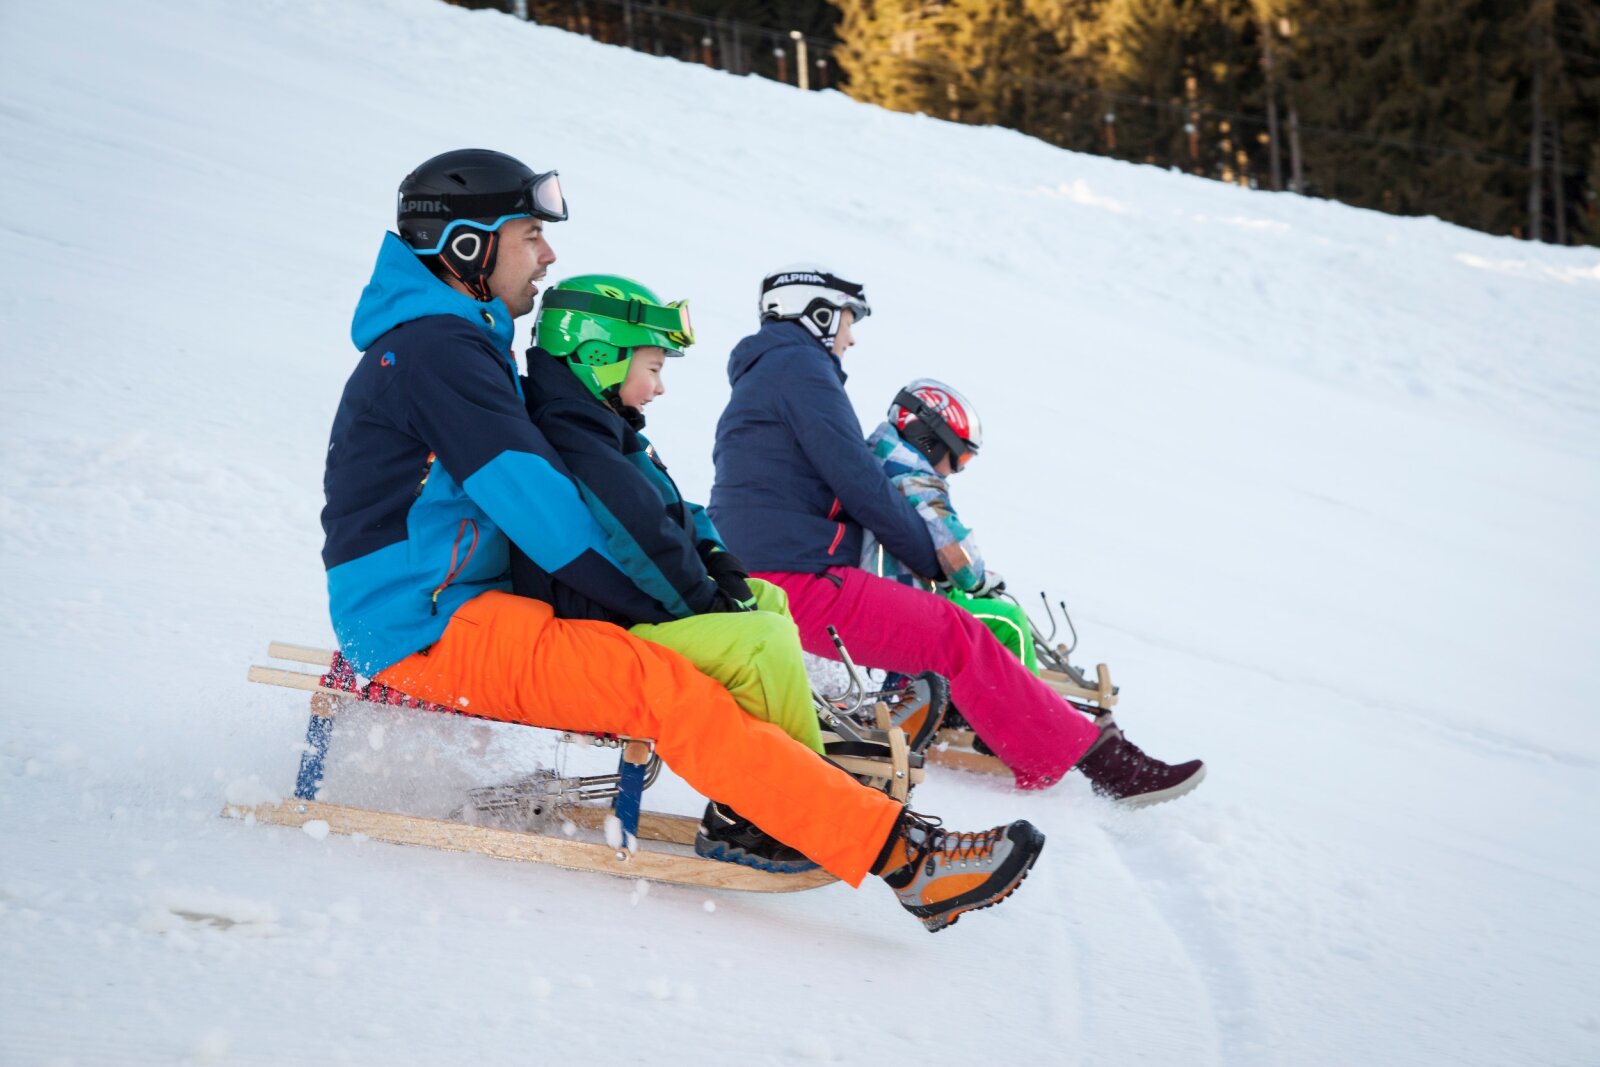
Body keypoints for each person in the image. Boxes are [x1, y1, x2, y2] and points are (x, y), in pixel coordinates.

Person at [319, 149, 1043, 930]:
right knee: (666, 686)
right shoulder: (440, 353)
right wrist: (668, 610)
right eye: (530, 235)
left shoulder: (458, 343)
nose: (548, 254)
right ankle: (905, 857)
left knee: (693, 663)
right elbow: (550, 519)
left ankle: (790, 807)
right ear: (467, 245)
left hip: (462, 607)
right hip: (420, 626)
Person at [708, 265, 1205, 804]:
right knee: (954, 633)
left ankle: (1070, 750)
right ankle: (1104, 766)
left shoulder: (771, 373)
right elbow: (863, 484)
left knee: (950, 631)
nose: (851, 338)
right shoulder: (801, 370)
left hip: (772, 573)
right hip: (793, 581)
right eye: (849, 321)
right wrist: (931, 557)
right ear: (820, 315)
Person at [510, 272, 927, 871]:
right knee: (758, 641)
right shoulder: (573, 433)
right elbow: (640, 536)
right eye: (653, 368)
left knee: (767, 601)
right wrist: (706, 601)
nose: (660, 387)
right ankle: (775, 812)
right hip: (593, 622)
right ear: (600, 357)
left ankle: (790, 778)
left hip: (615, 606)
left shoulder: (599, 424)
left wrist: (721, 566)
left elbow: (677, 512)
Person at [861, 378, 1039, 673]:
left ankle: (976, 692)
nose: (958, 470)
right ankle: (1028, 702)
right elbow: (955, 549)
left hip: (892, 587)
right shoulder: (915, 481)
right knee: (1012, 623)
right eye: (961, 457)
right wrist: (979, 581)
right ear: (929, 441)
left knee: (958, 599)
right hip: (900, 600)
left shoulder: (881, 459)